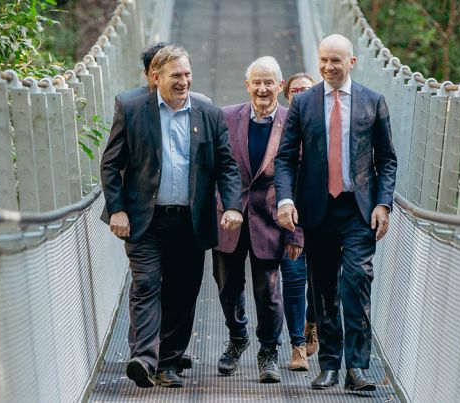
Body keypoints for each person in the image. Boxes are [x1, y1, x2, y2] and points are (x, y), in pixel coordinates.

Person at [100, 45, 243, 389]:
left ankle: (168, 363)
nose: (184, 81)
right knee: (146, 284)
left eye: (187, 74)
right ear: (155, 77)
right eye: (176, 75)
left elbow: (226, 164)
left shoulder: (208, 113)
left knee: (182, 292)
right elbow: (111, 163)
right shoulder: (132, 107)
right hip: (144, 219)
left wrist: (234, 205)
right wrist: (117, 208)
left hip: (190, 221)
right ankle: (144, 358)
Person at [274, 34, 397, 391]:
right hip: (317, 209)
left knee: (356, 282)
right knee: (324, 288)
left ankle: (357, 368)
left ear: (352, 63)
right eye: (323, 60)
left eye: (336, 61)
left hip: (358, 210)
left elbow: (386, 161)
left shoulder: (373, 101)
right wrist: (285, 200)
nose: (328, 67)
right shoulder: (304, 103)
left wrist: (383, 203)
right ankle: (329, 364)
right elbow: (285, 158)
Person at [212, 56, 304, 383]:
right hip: (229, 218)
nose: (263, 89)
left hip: (271, 220)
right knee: (227, 287)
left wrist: (297, 235)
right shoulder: (224, 117)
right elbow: (214, 170)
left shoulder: (293, 121)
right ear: (247, 84)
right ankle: (237, 338)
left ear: (281, 86)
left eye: (270, 82)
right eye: (257, 82)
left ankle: (268, 352)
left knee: (269, 293)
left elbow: (300, 181)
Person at [278, 72, 320, 363]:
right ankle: (297, 346)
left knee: (322, 282)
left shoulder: (327, 122)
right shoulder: (277, 126)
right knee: (293, 280)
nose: (300, 93)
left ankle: (312, 324)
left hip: (322, 219)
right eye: (295, 90)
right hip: (288, 218)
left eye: (306, 88)